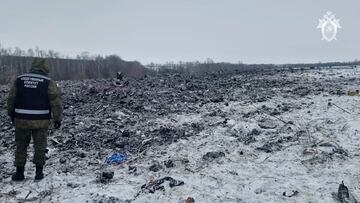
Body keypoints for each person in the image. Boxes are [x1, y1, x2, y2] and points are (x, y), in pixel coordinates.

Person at [7, 58, 63, 181]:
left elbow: (11, 99)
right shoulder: (48, 82)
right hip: (41, 121)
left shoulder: (20, 80)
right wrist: (57, 119)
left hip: (21, 120)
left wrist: (11, 114)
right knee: (40, 146)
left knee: (21, 146)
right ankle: (39, 173)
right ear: (45, 68)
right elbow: (56, 102)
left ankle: (19, 173)